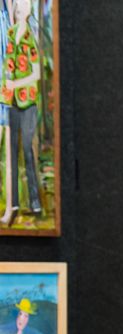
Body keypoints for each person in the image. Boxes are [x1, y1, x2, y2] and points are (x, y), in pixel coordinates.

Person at [1, 0, 42, 225]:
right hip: (12, 102)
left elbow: (36, 74)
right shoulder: (10, 33)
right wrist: (7, 88)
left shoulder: (30, 38)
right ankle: (14, 203)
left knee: (27, 148)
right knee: (12, 152)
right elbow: (7, 65)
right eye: (17, 6)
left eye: (23, 6)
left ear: (28, 11)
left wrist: (16, 84)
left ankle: (35, 202)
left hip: (28, 102)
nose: (19, 9)